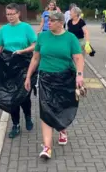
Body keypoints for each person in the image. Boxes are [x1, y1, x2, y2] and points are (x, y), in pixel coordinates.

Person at [24, 12, 84, 159]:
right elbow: (36, 57)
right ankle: (47, 147)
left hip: (65, 77)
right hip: (45, 77)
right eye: (47, 20)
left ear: (61, 22)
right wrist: (28, 76)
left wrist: (80, 75)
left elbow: (78, 57)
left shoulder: (70, 38)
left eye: (51, 20)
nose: (48, 23)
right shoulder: (43, 37)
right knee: (46, 110)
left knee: (62, 107)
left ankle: (62, 129)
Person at [0, 3, 37, 138]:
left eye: (12, 14)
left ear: (18, 14)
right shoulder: (3, 30)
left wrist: (22, 51)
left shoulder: (26, 28)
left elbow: (35, 45)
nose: (10, 17)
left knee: (24, 95)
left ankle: (28, 116)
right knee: (12, 96)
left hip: (25, 64)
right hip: (8, 65)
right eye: (8, 14)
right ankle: (15, 125)